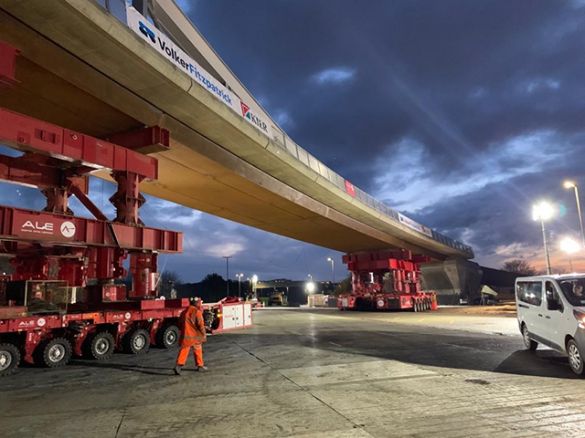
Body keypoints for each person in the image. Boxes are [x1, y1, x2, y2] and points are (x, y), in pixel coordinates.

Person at [174, 297, 207, 375]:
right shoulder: (197, 312)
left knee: (184, 350)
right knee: (198, 349)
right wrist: (203, 334)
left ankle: (178, 366)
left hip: (186, 335)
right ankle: (200, 366)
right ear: (197, 303)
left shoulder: (184, 312)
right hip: (195, 336)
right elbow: (200, 325)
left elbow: (179, 324)